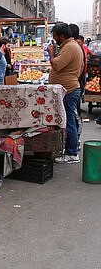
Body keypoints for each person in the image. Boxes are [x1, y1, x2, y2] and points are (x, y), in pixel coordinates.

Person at [47, 23, 83, 164]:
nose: (54, 39)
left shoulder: (69, 47)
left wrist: (51, 53)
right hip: (68, 88)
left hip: (68, 90)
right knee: (68, 121)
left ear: (62, 36)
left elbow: (56, 65)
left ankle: (72, 153)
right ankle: (69, 150)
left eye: (55, 36)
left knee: (69, 123)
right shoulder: (70, 46)